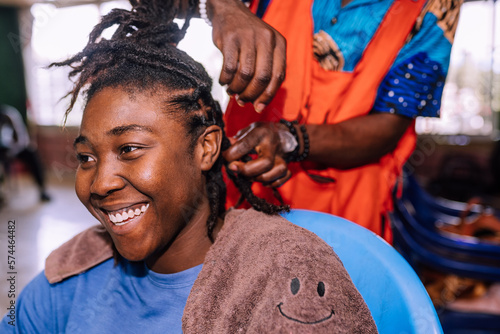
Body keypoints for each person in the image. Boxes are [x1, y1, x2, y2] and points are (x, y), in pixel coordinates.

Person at [0, 0, 377, 332]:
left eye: (129, 148)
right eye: (87, 158)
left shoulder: (283, 278)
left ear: (206, 147)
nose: (100, 183)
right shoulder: (73, 275)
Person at [188, 0, 461, 242]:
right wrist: (223, 6)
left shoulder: (435, 7)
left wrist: (288, 139)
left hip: (346, 212)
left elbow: (389, 126)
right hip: (237, 189)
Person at [0, 104, 51, 203]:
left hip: (17, 148)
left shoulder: (10, 115)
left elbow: (22, 140)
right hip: (2, 151)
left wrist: (11, 152)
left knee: (32, 155)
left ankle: (42, 190)